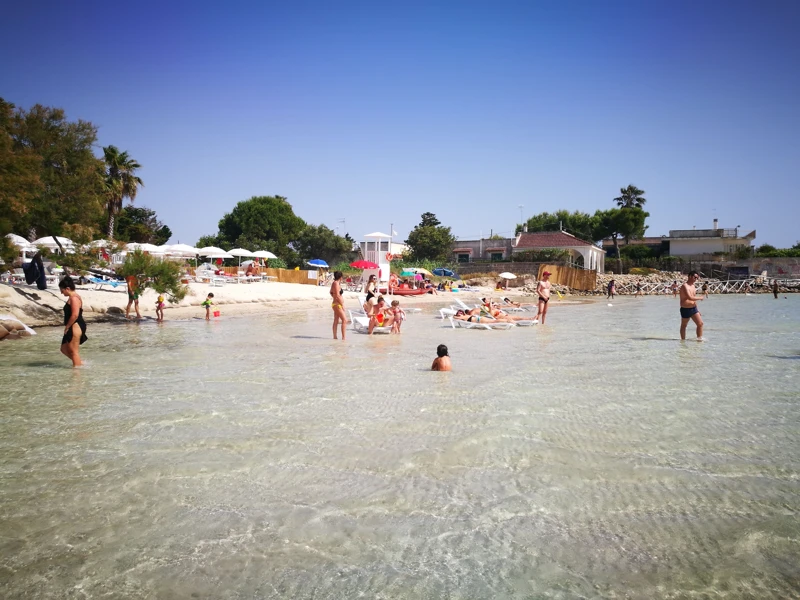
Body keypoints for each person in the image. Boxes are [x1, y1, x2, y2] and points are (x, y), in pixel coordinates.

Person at [59, 276, 87, 367]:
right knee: (64, 349)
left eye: (62, 291)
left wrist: (67, 326)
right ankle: (79, 362)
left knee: (73, 351)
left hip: (75, 325)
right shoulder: (72, 297)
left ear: (67, 288)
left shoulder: (74, 298)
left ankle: (77, 374)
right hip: (73, 325)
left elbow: (75, 315)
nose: (61, 293)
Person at [679, 271, 705, 341]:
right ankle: (683, 341)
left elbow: (693, 298)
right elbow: (690, 297)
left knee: (700, 324)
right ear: (690, 276)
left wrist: (697, 309)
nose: (696, 279)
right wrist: (700, 298)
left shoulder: (693, 286)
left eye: (697, 278)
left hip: (693, 308)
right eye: (695, 277)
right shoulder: (685, 286)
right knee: (684, 325)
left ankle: (699, 339)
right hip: (685, 309)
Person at [330, 271, 346, 340]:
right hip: (337, 304)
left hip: (336, 303)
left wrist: (334, 297)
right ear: (340, 277)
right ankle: (343, 338)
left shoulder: (335, 283)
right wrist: (342, 305)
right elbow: (337, 295)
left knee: (336, 320)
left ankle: (335, 337)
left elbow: (331, 292)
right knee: (345, 320)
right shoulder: (336, 283)